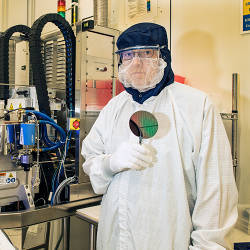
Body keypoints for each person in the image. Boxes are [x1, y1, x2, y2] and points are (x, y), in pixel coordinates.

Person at [81, 22, 238, 250]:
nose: (136, 63)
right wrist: (110, 164)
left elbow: (216, 191)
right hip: (115, 238)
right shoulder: (114, 107)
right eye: (128, 55)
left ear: (163, 56)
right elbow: (92, 160)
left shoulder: (196, 105)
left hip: (169, 238)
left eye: (146, 53)